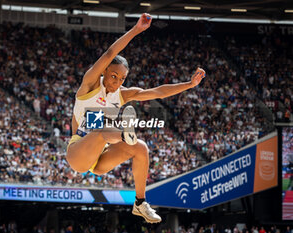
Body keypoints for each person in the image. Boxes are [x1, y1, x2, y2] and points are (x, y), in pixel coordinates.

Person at [66, 13, 206, 223]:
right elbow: (110, 52)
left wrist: (189, 84)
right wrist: (137, 30)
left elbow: (157, 92)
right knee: (101, 129)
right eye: (114, 76)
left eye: (122, 78)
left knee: (141, 148)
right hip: (79, 152)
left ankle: (140, 203)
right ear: (104, 71)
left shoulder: (121, 94)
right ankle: (123, 132)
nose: (117, 81)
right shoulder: (89, 84)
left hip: (101, 157)